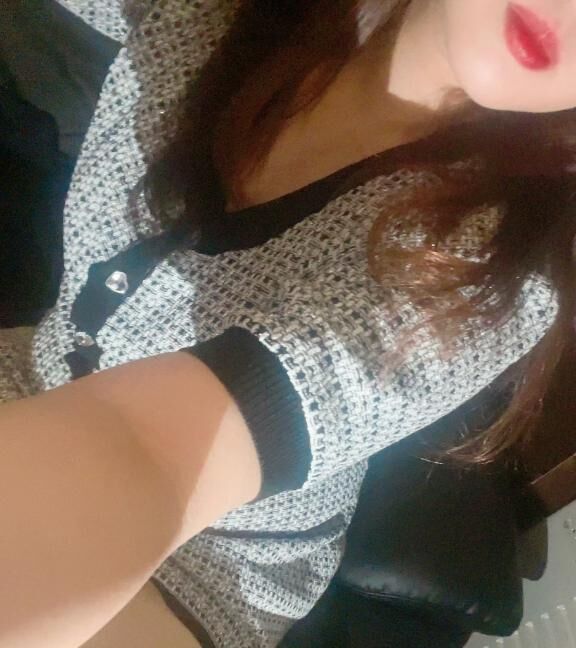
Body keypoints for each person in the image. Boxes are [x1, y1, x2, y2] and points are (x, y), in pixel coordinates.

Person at [0, 0, 574, 646]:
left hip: (208, 567)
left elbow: (155, 445)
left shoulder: (493, 271)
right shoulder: (218, 16)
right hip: (26, 380)